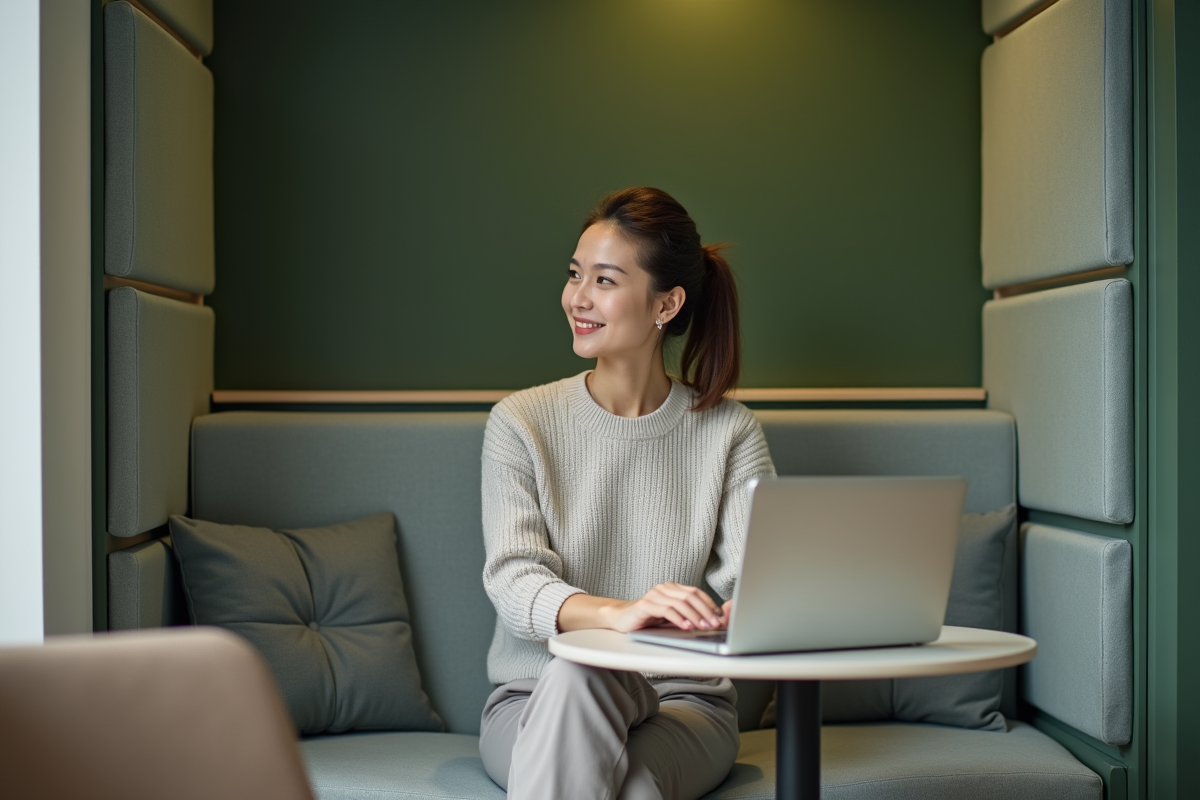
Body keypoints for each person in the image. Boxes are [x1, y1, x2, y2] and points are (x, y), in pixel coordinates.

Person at [478, 187, 776, 800]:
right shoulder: (520, 421)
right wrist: (620, 616)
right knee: (583, 678)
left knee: (633, 783)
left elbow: (761, 590)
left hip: (684, 702)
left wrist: (693, 624)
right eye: (574, 274)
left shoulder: (729, 430)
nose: (577, 298)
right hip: (535, 696)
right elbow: (514, 580)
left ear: (666, 303)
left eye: (605, 281)